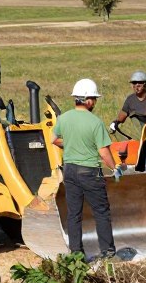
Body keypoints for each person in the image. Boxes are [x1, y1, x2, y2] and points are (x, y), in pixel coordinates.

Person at [52, 79, 122, 260]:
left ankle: (76, 254)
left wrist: (72, 144)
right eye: (94, 99)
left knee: (74, 213)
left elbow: (54, 140)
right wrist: (115, 168)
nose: (95, 103)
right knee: (101, 212)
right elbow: (103, 151)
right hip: (91, 171)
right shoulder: (95, 122)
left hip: (69, 170)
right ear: (88, 100)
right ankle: (108, 252)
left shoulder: (63, 118)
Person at [109, 70, 146, 134]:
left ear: (145, 84)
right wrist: (115, 122)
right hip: (134, 131)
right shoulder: (130, 99)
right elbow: (122, 117)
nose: (137, 85)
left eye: (140, 83)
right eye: (134, 83)